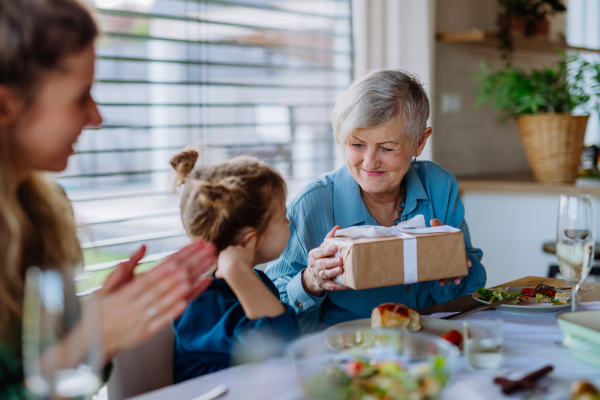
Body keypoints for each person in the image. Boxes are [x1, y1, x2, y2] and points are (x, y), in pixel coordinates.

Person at [0, 0, 216, 397]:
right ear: (6, 105)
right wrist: (87, 337)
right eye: (81, 96)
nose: (96, 116)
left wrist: (101, 334)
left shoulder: (43, 212)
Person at [266, 70, 487, 333]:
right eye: (357, 145)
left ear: (420, 142)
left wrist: (451, 267)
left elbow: (473, 290)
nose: (369, 162)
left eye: (387, 148)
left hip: (428, 345)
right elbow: (266, 315)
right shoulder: (312, 204)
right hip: (347, 357)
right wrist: (310, 282)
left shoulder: (439, 186)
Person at [170, 150, 300, 383]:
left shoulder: (256, 279)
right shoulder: (200, 303)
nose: (288, 222)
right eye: (282, 216)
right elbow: (281, 344)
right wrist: (237, 271)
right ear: (251, 240)